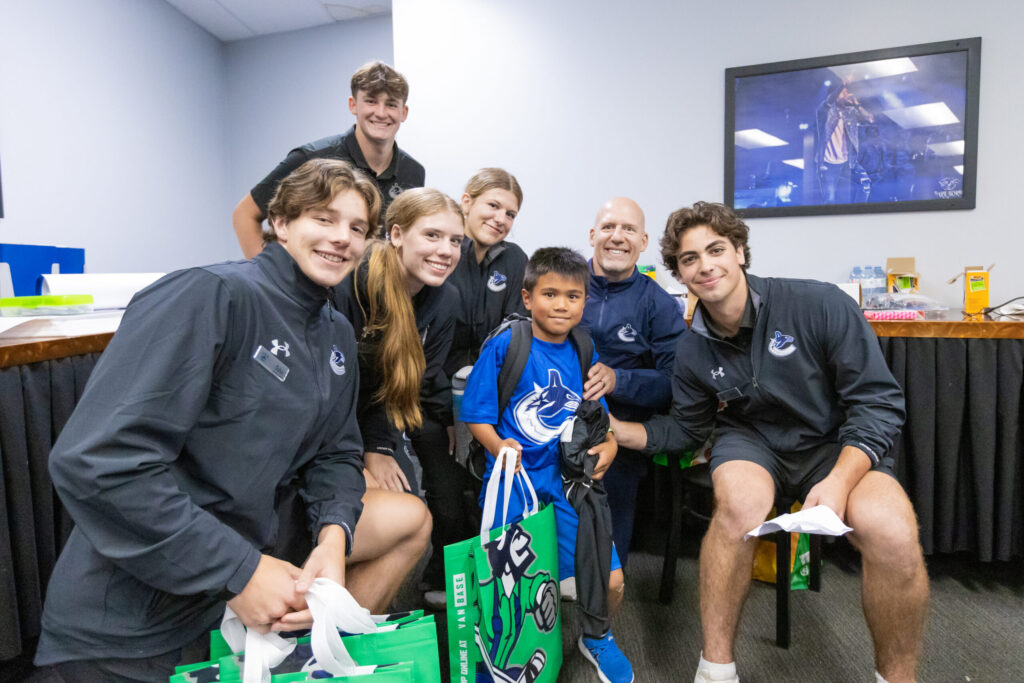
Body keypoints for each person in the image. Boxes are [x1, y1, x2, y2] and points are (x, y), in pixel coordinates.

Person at [34, 159, 432, 682]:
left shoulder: (334, 332)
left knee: (409, 518)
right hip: (135, 621)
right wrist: (239, 572)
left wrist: (334, 538)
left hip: (241, 584)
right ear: (281, 222)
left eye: (357, 228)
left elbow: (336, 451)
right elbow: (98, 462)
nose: (342, 238)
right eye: (324, 218)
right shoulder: (210, 295)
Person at [611, 202, 928, 683]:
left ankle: (896, 678)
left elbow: (878, 403)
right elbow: (686, 430)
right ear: (679, 273)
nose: (705, 265)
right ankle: (715, 670)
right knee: (739, 509)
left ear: (739, 251)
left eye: (716, 250)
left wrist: (840, 481)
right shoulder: (692, 349)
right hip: (751, 443)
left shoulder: (820, 304)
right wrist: (615, 430)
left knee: (893, 532)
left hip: (833, 443)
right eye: (690, 259)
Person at [461, 248, 635, 683]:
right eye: (550, 294)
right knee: (511, 587)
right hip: (514, 483)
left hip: (568, 482)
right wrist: (500, 446)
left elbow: (595, 415)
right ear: (527, 297)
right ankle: (504, 654)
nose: (561, 305)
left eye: (572, 296)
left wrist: (611, 444)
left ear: (584, 301)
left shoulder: (583, 346)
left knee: (611, 580)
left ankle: (596, 636)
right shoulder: (507, 345)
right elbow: (476, 416)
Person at [332, 187, 466, 607]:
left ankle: (355, 623)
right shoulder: (351, 284)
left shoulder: (445, 300)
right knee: (367, 510)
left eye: (456, 240)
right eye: (432, 235)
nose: (446, 251)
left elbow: (405, 386)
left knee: (410, 512)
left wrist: (380, 445)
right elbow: (326, 390)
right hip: (323, 430)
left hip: (374, 422)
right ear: (396, 234)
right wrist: (360, 455)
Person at [580, 197, 686, 567]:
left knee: (607, 517)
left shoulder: (660, 305)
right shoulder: (564, 285)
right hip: (552, 417)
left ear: (643, 242)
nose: (617, 237)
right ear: (592, 235)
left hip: (619, 430)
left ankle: (606, 586)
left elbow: (675, 383)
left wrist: (618, 380)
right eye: (608, 227)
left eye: (628, 229)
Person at [233, 60, 425, 257]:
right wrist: (267, 274)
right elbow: (244, 215)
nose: (381, 113)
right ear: (353, 105)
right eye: (371, 101)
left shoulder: (413, 172)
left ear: (404, 112)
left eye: (391, 104)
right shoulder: (311, 157)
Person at [444, 168, 528, 376]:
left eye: (510, 214)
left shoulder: (516, 259)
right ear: (467, 203)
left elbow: (516, 333)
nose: (500, 219)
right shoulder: (442, 253)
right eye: (493, 205)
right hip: (433, 382)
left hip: (490, 382)